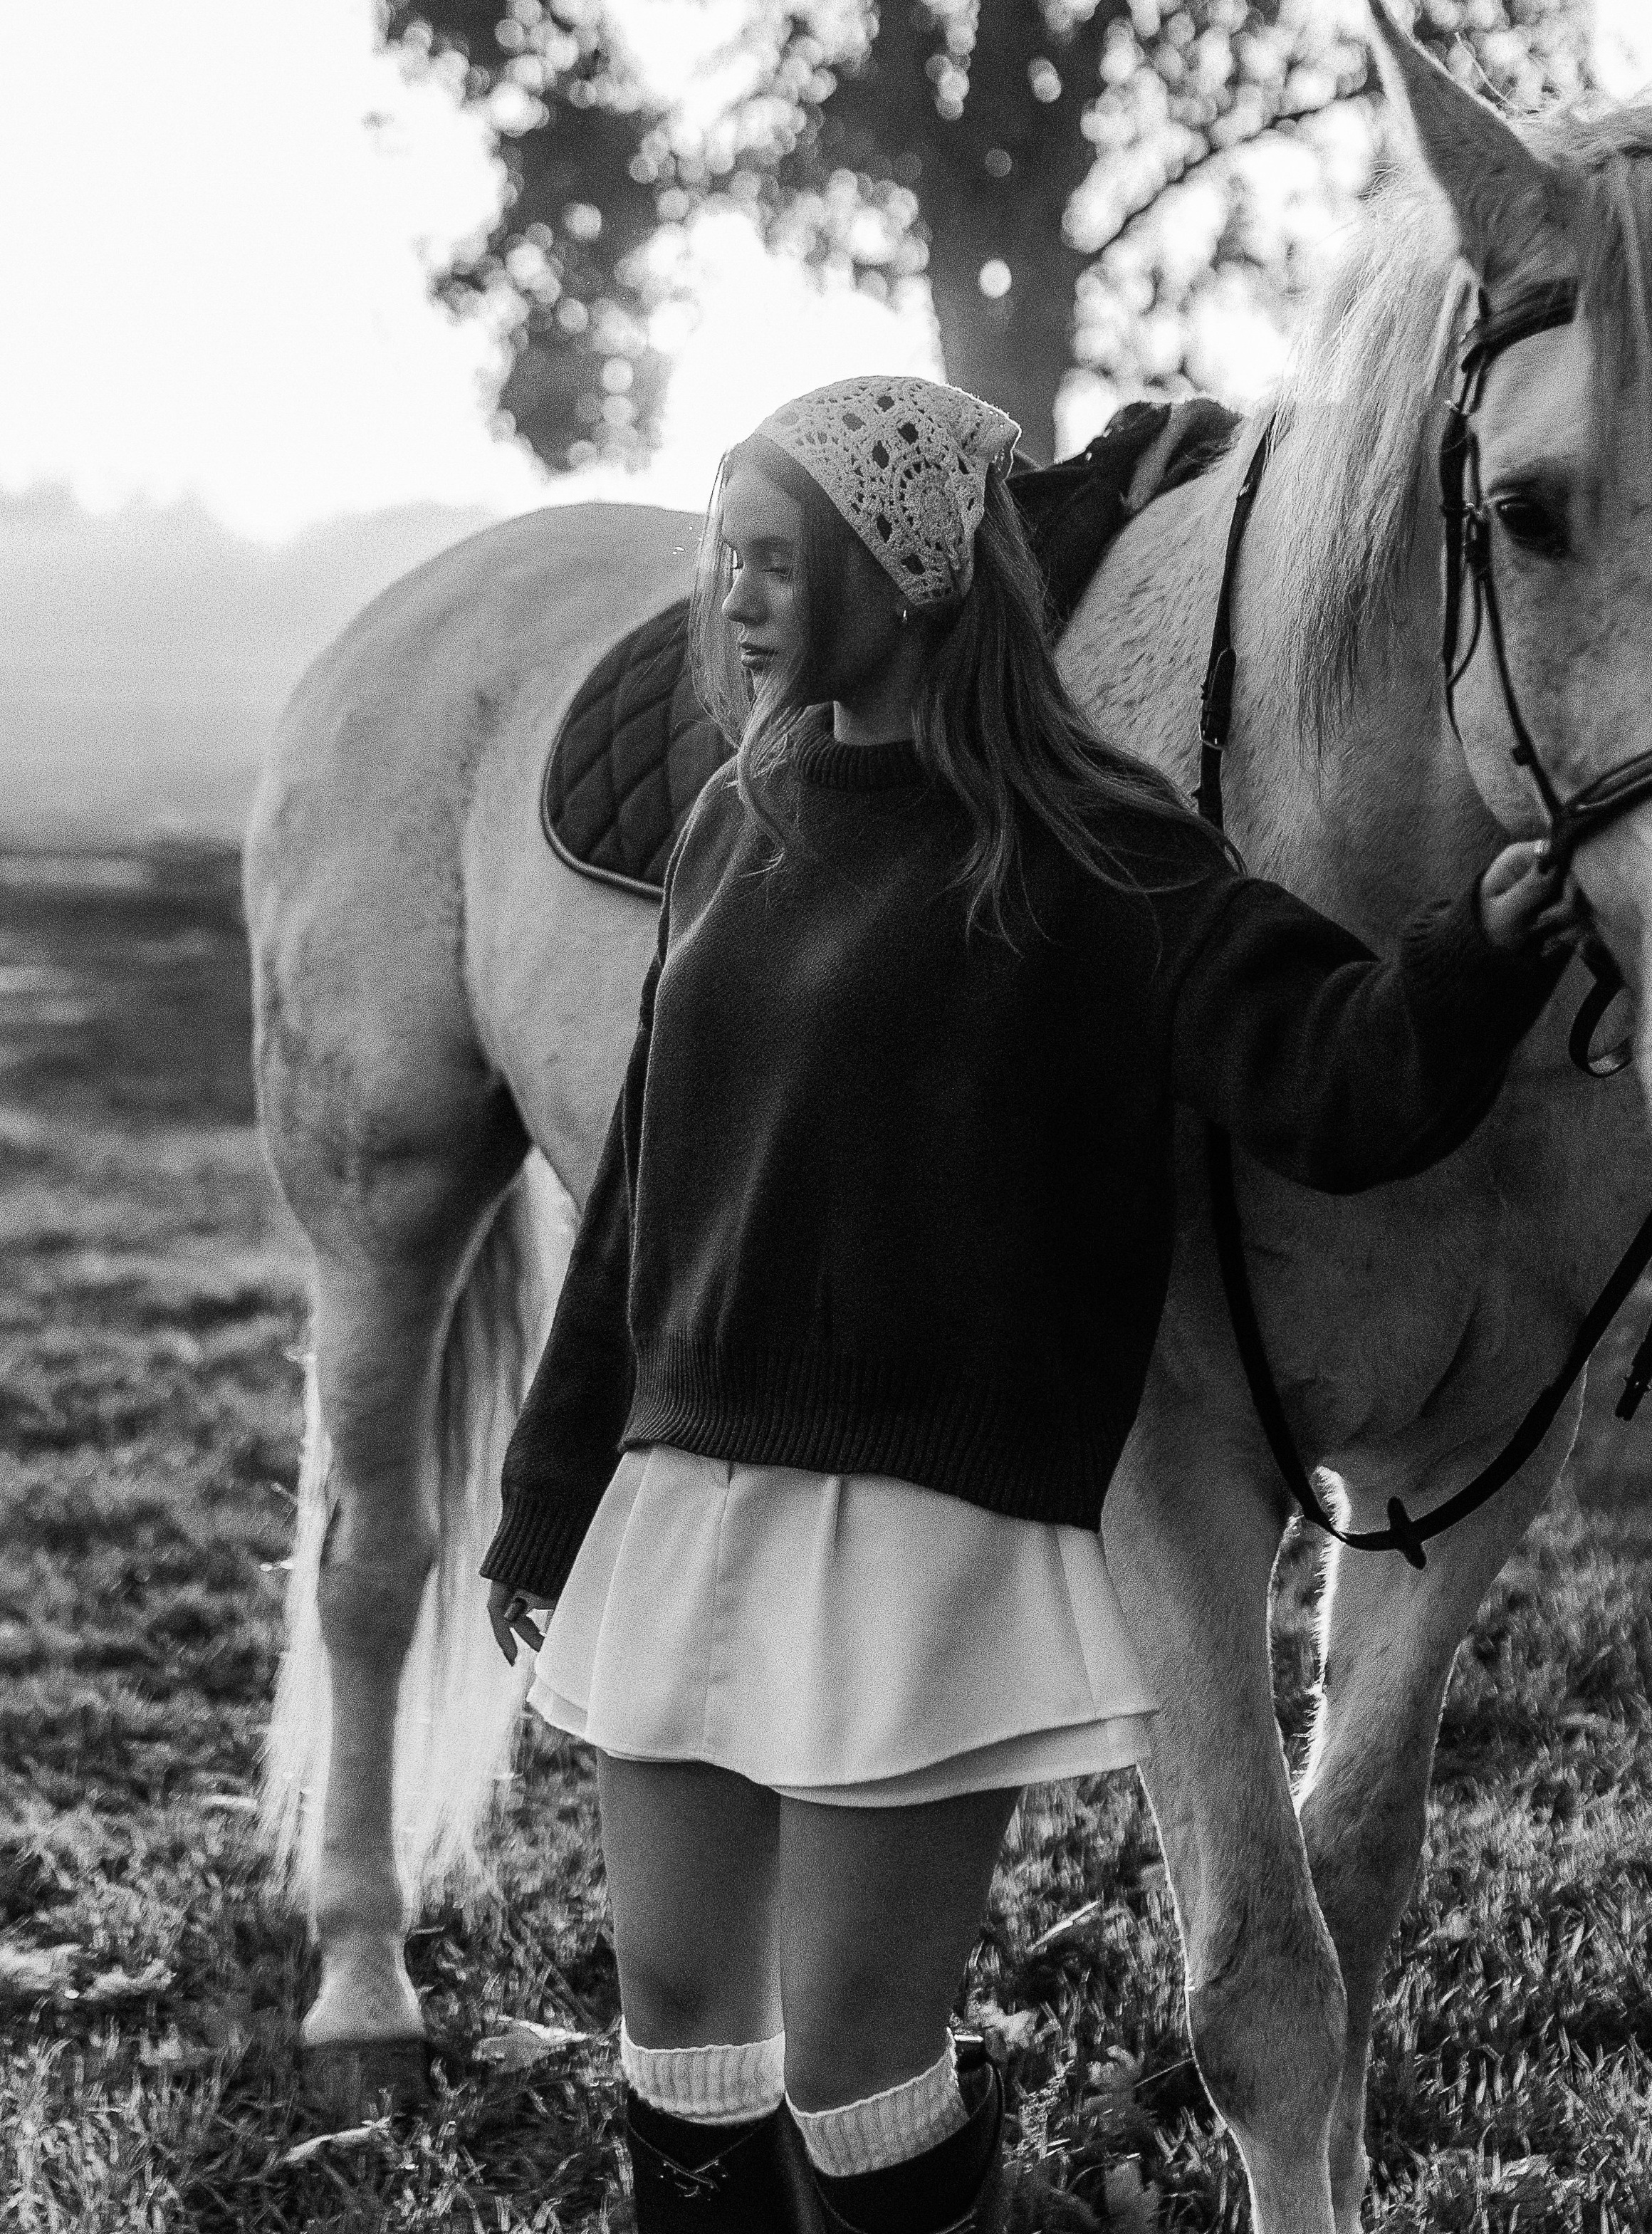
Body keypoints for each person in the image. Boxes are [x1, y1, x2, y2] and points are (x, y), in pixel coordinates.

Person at [482, 375, 1575, 2234]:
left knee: (857, 2083)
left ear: (907, 570)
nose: (731, 599)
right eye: (725, 556)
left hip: (919, 1529)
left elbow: (1338, 1077)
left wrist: (1475, 955)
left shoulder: (1095, 850)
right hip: (685, 1501)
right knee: (678, 2040)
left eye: (773, 560)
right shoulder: (735, 821)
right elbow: (638, 1210)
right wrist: (550, 1497)